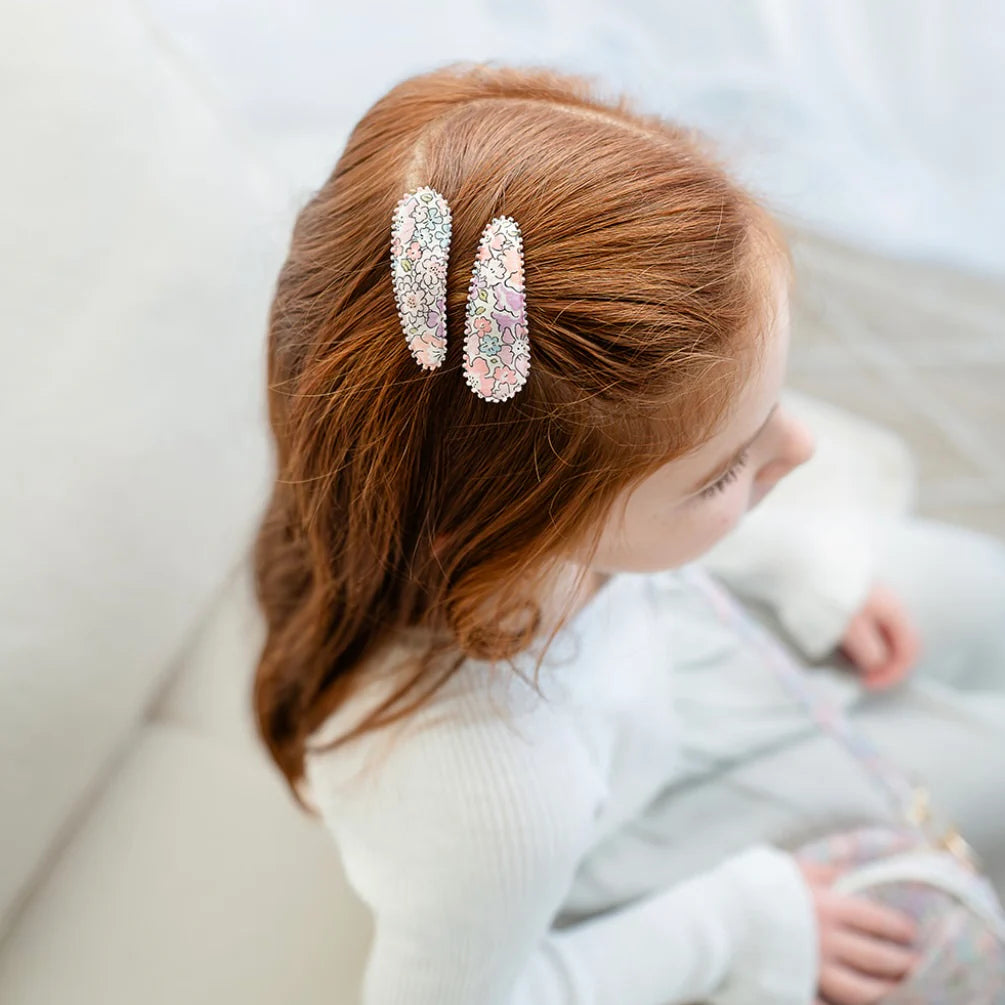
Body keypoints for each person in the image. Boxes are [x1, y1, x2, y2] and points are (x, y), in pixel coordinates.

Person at [250, 60, 1005, 1005]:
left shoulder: (468, 474)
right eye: (729, 466)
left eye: (770, 406)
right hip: (631, 821)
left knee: (982, 589)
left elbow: (657, 508)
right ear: (528, 528)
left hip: (672, 644)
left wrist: (790, 562)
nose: (804, 446)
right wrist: (736, 919)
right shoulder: (495, 800)